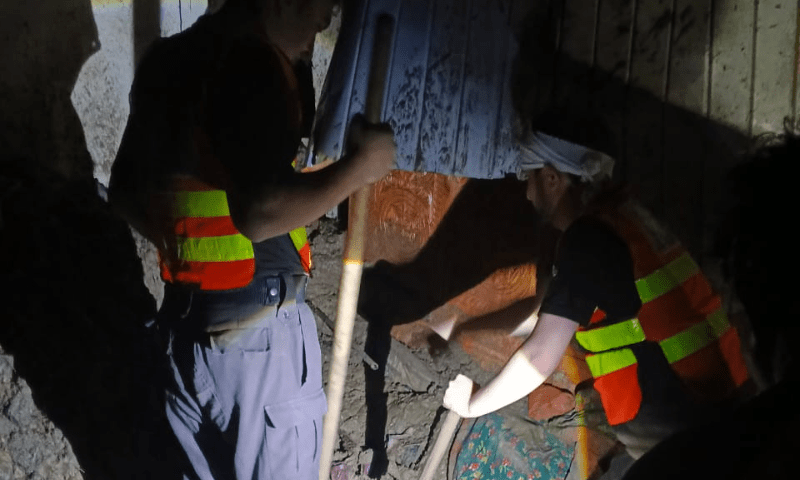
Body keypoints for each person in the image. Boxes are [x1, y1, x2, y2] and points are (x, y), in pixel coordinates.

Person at [108, 0, 396, 478]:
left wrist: (190, 249)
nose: (326, 19)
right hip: (257, 345)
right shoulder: (250, 65)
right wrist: (358, 170)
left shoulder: (168, 61)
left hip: (185, 333)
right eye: (320, 5)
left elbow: (123, 192)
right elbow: (259, 213)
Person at [442, 131, 751, 478]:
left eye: (528, 178)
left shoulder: (587, 243)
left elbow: (541, 356)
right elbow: (543, 314)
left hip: (681, 425)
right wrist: (465, 327)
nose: (527, 193)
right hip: (721, 398)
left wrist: (472, 404)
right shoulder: (621, 217)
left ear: (552, 179)